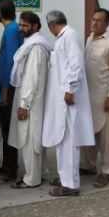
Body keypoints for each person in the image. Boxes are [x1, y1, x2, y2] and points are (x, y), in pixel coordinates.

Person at [43, 11, 94, 197]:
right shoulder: (61, 38)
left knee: (69, 142)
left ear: (51, 24)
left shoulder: (69, 36)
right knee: (61, 140)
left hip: (68, 99)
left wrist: (71, 89)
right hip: (61, 100)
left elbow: (76, 64)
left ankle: (71, 185)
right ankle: (65, 178)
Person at [9, 12, 52, 189]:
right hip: (35, 100)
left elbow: (31, 79)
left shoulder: (35, 48)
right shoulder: (35, 44)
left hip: (30, 101)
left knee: (29, 140)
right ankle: (39, 174)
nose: (21, 28)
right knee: (35, 139)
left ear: (35, 26)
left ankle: (31, 179)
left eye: (24, 25)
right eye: (20, 25)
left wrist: (24, 104)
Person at [81, 8, 109, 188]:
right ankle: (87, 165)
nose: (94, 23)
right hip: (88, 97)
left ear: (106, 24)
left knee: (108, 138)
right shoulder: (89, 40)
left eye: (99, 21)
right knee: (89, 133)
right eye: (93, 19)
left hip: (105, 97)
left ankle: (108, 171)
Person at [0, 0, 23, 183]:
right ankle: (6, 166)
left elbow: (12, 61)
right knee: (5, 128)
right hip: (5, 85)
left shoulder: (11, 30)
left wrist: (5, 89)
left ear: (0, 12)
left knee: (8, 129)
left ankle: (10, 170)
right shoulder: (11, 29)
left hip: (8, 87)